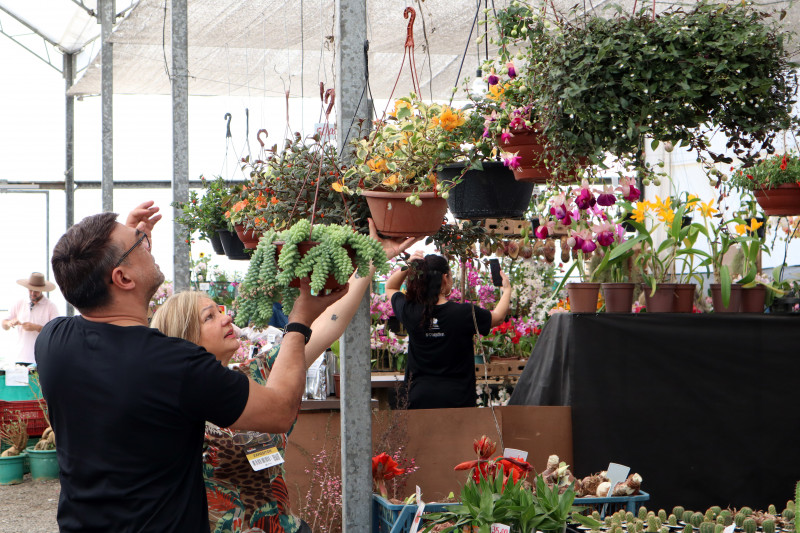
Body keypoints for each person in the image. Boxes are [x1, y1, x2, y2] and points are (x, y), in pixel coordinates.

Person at [35, 201, 347, 533]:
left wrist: (123, 248)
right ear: (122, 277)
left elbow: (106, 310)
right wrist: (299, 320)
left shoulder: (53, 342)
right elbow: (281, 411)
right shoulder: (177, 365)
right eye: (138, 243)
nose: (146, 242)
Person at [150, 219, 418, 533]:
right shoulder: (176, 405)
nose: (227, 317)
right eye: (210, 317)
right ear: (186, 336)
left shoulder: (259, 373)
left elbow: (328, 323)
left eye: (220, 310)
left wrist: (371, 260)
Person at [386, 252, 512, 409]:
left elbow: (390, 287)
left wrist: (408, 265)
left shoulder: (410, 311)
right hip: (457, 401)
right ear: (444, 278)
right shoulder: (464, 313)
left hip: (418, 399)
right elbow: (498, 317)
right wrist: (507, 289)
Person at [2, 272, 60, 365]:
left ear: (42, 290)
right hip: (20, 357)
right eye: (30, 290)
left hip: (41, 358)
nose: (33, 293)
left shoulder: (51, 306)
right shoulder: (19, 302)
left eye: (36, 291)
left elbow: (56, 332)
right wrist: (9, 323)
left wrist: (37, 328)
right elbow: (4, 324)